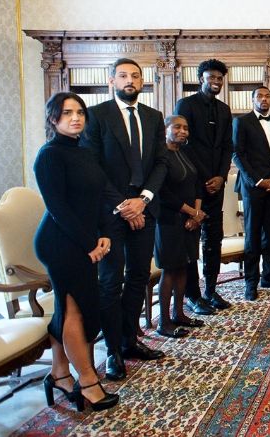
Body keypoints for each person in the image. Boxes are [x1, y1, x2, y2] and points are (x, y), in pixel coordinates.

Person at [82, 58, 167, 381]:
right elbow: (93, 168)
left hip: (145, 209)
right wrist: (123, 205)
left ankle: (130, 341)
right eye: (123, 76)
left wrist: (142, 200)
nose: (129, 81)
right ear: (111, 81)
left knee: (138, 277)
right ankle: (113, 351)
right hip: (110, 215)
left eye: (135, 76)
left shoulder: (153, 117)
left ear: (143, 81)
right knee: (109, 282)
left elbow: (160, 163)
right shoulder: (96, 115)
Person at [35, 92, 120, 412]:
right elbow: (58, 209)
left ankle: (59, 374)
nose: (76, 118)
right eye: (67, 113)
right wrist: (89, 246)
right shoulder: (49, 155)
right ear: (53, 119)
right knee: (76, 310)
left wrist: (104, 237)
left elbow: (98, 199)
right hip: (59, 243)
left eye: (80, 112)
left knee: (72, 309)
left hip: (85, 240)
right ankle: (87, 381)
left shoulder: (84, 152)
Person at [174, 58, 233, 315]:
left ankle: (211, 289)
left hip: (216, 185)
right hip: (193, 185)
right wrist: (206, 177)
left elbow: (227, 146)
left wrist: (220, 176)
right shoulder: (185, 105)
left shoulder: (224, 109)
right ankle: (192, 295)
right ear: (201, 79)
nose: (216, 82)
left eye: (220, 79)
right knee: (192, 240)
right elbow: (184, 145)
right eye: (212, 78)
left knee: (214, 238)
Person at [232, 86, 270, 300]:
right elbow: (238, 156)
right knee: (253, 236)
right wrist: (258, 182)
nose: (264, 99)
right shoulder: (242, 122)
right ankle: (251, 282)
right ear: (253, 99)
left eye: (267, 96)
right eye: (260, 96)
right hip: (254, 188)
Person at [153, 115, 207, 338]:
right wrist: (192, 212)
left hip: (190, 222)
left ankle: (179, 314)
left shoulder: (183, 153)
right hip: (168, 221)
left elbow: (196, 185)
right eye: (177, 127)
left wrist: (196, 215)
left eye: (186, 127)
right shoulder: (160, 156)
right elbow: (164, 194)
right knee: (170, 269)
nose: (183, 131)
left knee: (184, 266)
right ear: (166, 129)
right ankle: (164, 322)